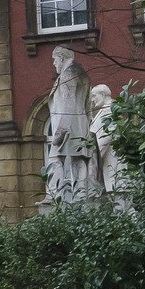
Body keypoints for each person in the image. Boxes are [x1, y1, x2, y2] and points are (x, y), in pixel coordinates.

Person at [44, 46, 94, 202]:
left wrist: (60, 131)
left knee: (54, 159)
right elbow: (88, 106)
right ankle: (81, 194)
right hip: (81, 124)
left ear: (61, 58)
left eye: (54, 59)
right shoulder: (83, 74)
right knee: (78, 159)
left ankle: (53, 196)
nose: (53, 63)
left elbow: (68, 102)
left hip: (67, 126)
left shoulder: (68, 74)